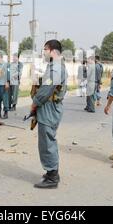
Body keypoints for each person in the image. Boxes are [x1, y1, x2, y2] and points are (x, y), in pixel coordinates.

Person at [32, 40, 67, 189]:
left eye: (45, 49)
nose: (44, 53)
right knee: (48, 140)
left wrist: (34, 103)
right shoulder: (55, 66)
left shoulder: (56, 69)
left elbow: (47, 89)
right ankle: (51, 172)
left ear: (52, 51)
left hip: (49, 108)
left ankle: (52, 177)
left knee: (47, 142)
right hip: (50, 107)